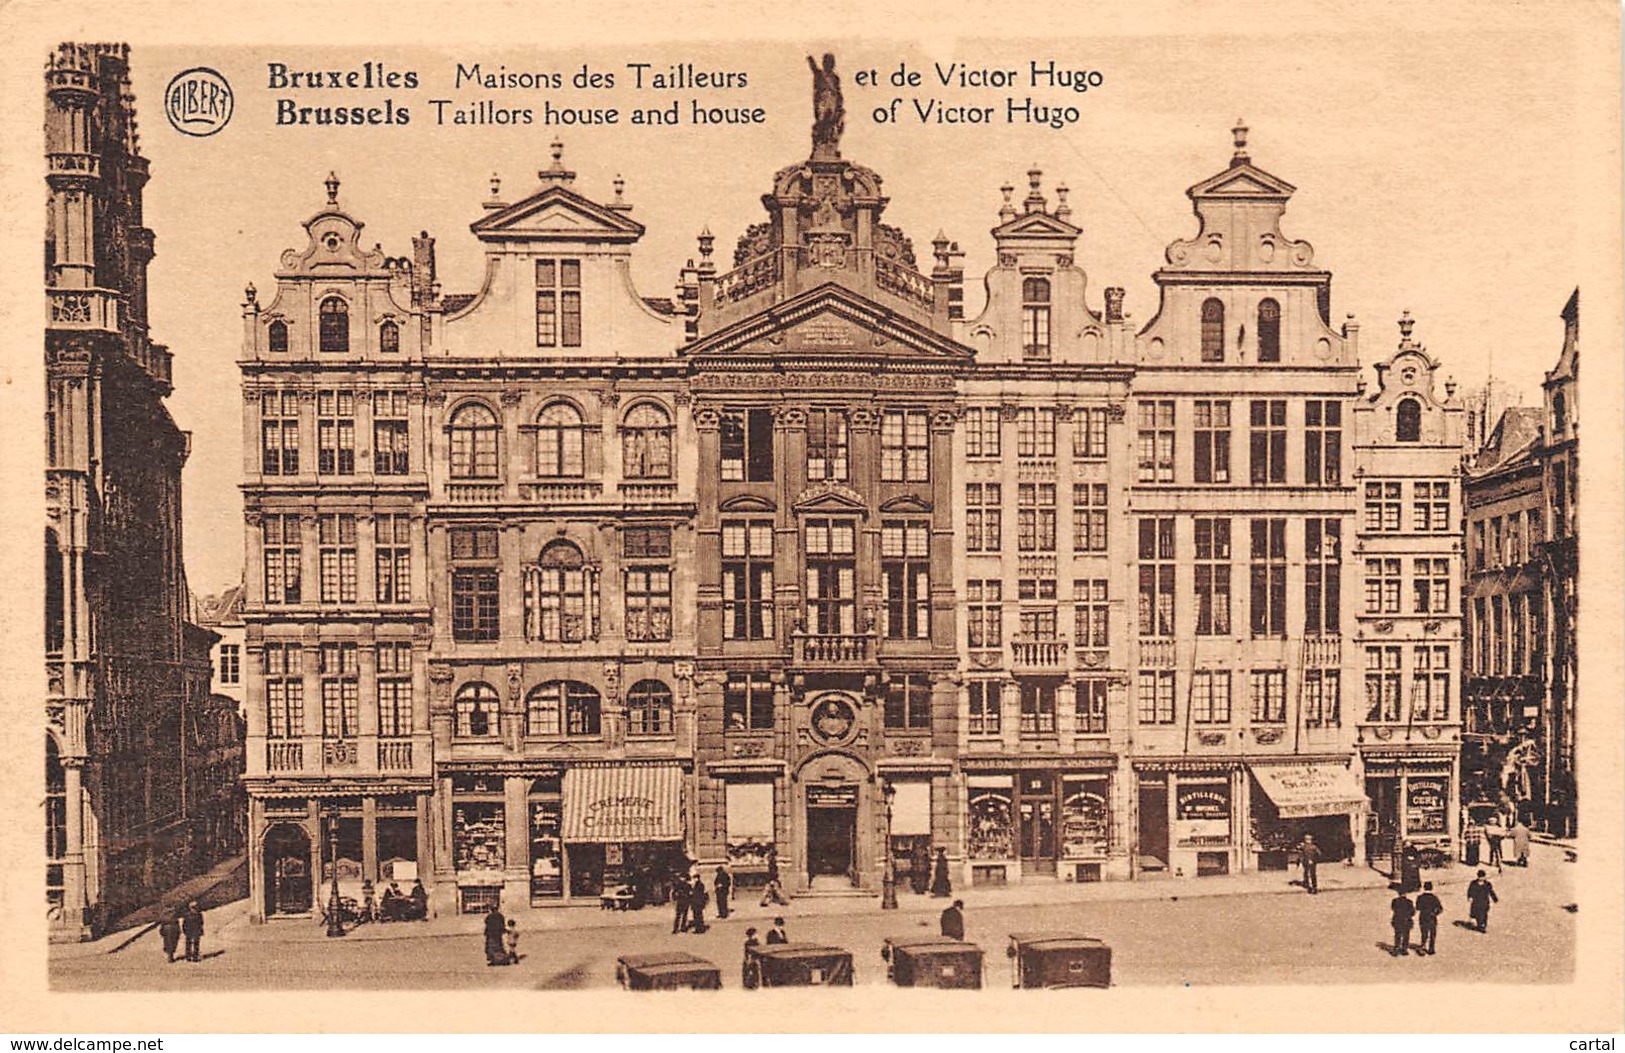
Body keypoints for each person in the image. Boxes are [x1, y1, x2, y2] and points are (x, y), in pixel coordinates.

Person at [1415, 881, 1443, 956]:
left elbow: (1417, 907)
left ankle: (1423, 947)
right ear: (1432, 888)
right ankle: (1431, 949)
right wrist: (1435, 913)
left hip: (1423, 916)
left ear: (1424, 888)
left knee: (1424, 933)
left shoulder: (1420, 897)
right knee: (1432, 933)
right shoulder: (1434, 898)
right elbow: (1440, 908)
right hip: (1432, 917)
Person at [1389, 889, 1415, 956]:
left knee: (1397, 934)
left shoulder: (1395, 901)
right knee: (1406, 935)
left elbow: (1393, 908)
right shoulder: (1409, 902)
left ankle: (1397, 947)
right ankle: (1404, 949)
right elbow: (1413, 912)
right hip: (1406, 920)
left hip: (1397, 919)